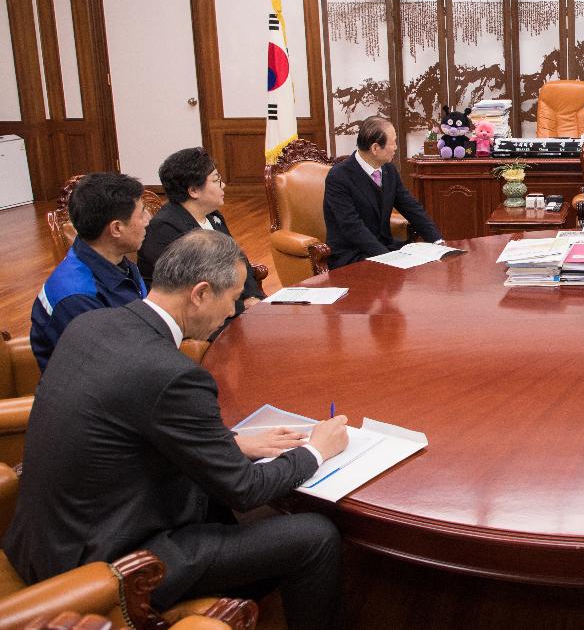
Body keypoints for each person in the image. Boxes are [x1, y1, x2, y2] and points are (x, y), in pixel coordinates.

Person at [4, 231, 350, 630]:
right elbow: (245, 489)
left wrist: (232, 443)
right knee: (315, 535)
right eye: (233, 297)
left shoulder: (92, 325)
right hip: (106, 568)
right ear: (200, 293)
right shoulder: (172, 374)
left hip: (42, 540)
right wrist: (316, 451)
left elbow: (127, 427)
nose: (234, 310)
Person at [30, 172, 151, 370]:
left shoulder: (115, 261)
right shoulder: (77, 296)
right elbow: (108, 369)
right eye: (142, 213)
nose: (148, 220)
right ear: (116, 229)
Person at [139, 147, 264, 317]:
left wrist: (253, 296)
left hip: (233, 308)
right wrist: (242, 307)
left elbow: (238, 261)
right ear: (194, 191)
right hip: (199, 317)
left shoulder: (213, 216)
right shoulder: (165, 228)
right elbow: (196, 287)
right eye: (216, 180)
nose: (223, 185)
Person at [323, 116, 443, 269]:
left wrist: (437, 241)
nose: (396, 148)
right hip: (352, 254)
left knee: (428, 267)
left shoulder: (388, 170)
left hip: (385, 248)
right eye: (393, 142)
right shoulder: (338, 176)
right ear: (375, 148)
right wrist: (389, 259)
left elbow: (411, 207)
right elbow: (352, 226)